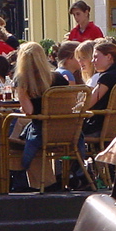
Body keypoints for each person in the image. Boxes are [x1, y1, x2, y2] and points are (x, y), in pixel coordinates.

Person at [13, 41, 70, 191]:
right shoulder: (58, 78)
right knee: (22, 131)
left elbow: (29, 111)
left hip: (42, 131)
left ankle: (24, 178)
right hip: (66, 130)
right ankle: (50, 180)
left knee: (15, 135)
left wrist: (22, 96)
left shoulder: (23, 81)